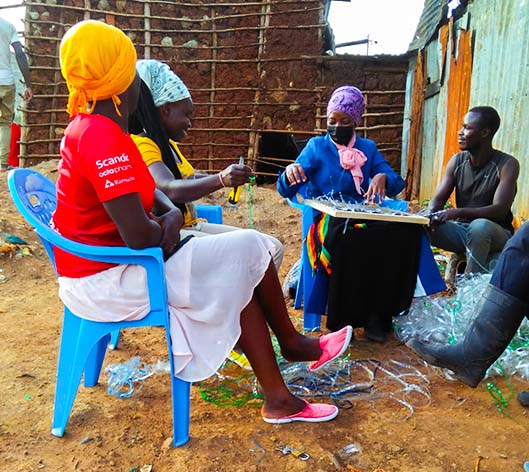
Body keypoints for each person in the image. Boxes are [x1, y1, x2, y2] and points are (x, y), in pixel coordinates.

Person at [53, 19, 353, 425]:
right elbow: (140, 235)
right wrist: (170, 222)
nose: (138, 83)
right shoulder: (100, 138)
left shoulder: (100, 129)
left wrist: (169, 215)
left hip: (118, 264)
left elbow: (152, 191)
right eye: (131, 72)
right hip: (109, 277)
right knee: (248, 249)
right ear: (121, 82)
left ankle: (280, 393)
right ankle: (290, 347)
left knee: (239, 266)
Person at [277, 85, 421, 342]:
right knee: (348, 237)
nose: (337, 126)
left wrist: (382, 176)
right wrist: (289, 173)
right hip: (326, 217)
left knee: (401, 236)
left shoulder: (368, 148)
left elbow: (395, 182)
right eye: (332, 120)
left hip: (362, 212)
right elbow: (285, 187)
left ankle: (378, 315)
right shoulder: (317, 147)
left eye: (345, 121)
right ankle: (344, 319)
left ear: (356, 121)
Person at [407, 186, 529, 408]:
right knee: (526, 265)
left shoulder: (505, 168)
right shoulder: (458, 167)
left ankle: (472, 356)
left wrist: (457, 212)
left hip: (488, 227)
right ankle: (473, 356)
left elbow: (500, 208)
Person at [129, 59, 284, 270]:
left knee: (271, 248)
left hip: (192, 226)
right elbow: (168, 188)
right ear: (165, 110)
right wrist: (220, 179)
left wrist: (227, 176)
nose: (189, 123)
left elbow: (187, 178)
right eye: (186, 115)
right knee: (262, 250)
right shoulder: (143, 144)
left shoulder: (166, 145)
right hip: (175, 236)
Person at [427, 106, 519, 274]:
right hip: (462, 231)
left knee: (479, 227)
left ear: (485, 133)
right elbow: (438, 199)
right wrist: (431, 214)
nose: (460, 132)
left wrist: (458, 212)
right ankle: (422, 283)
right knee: (419, 227)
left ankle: (469, 285)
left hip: (495, 233)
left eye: (467, 128)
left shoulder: (507, 164)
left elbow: (500, 210)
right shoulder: (457, 161)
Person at [0, 18, 32, 171]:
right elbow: (19, 53)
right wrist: (28, 84)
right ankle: (2, 164)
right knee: (5, 123)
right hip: (6, 81)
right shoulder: (8, 26)